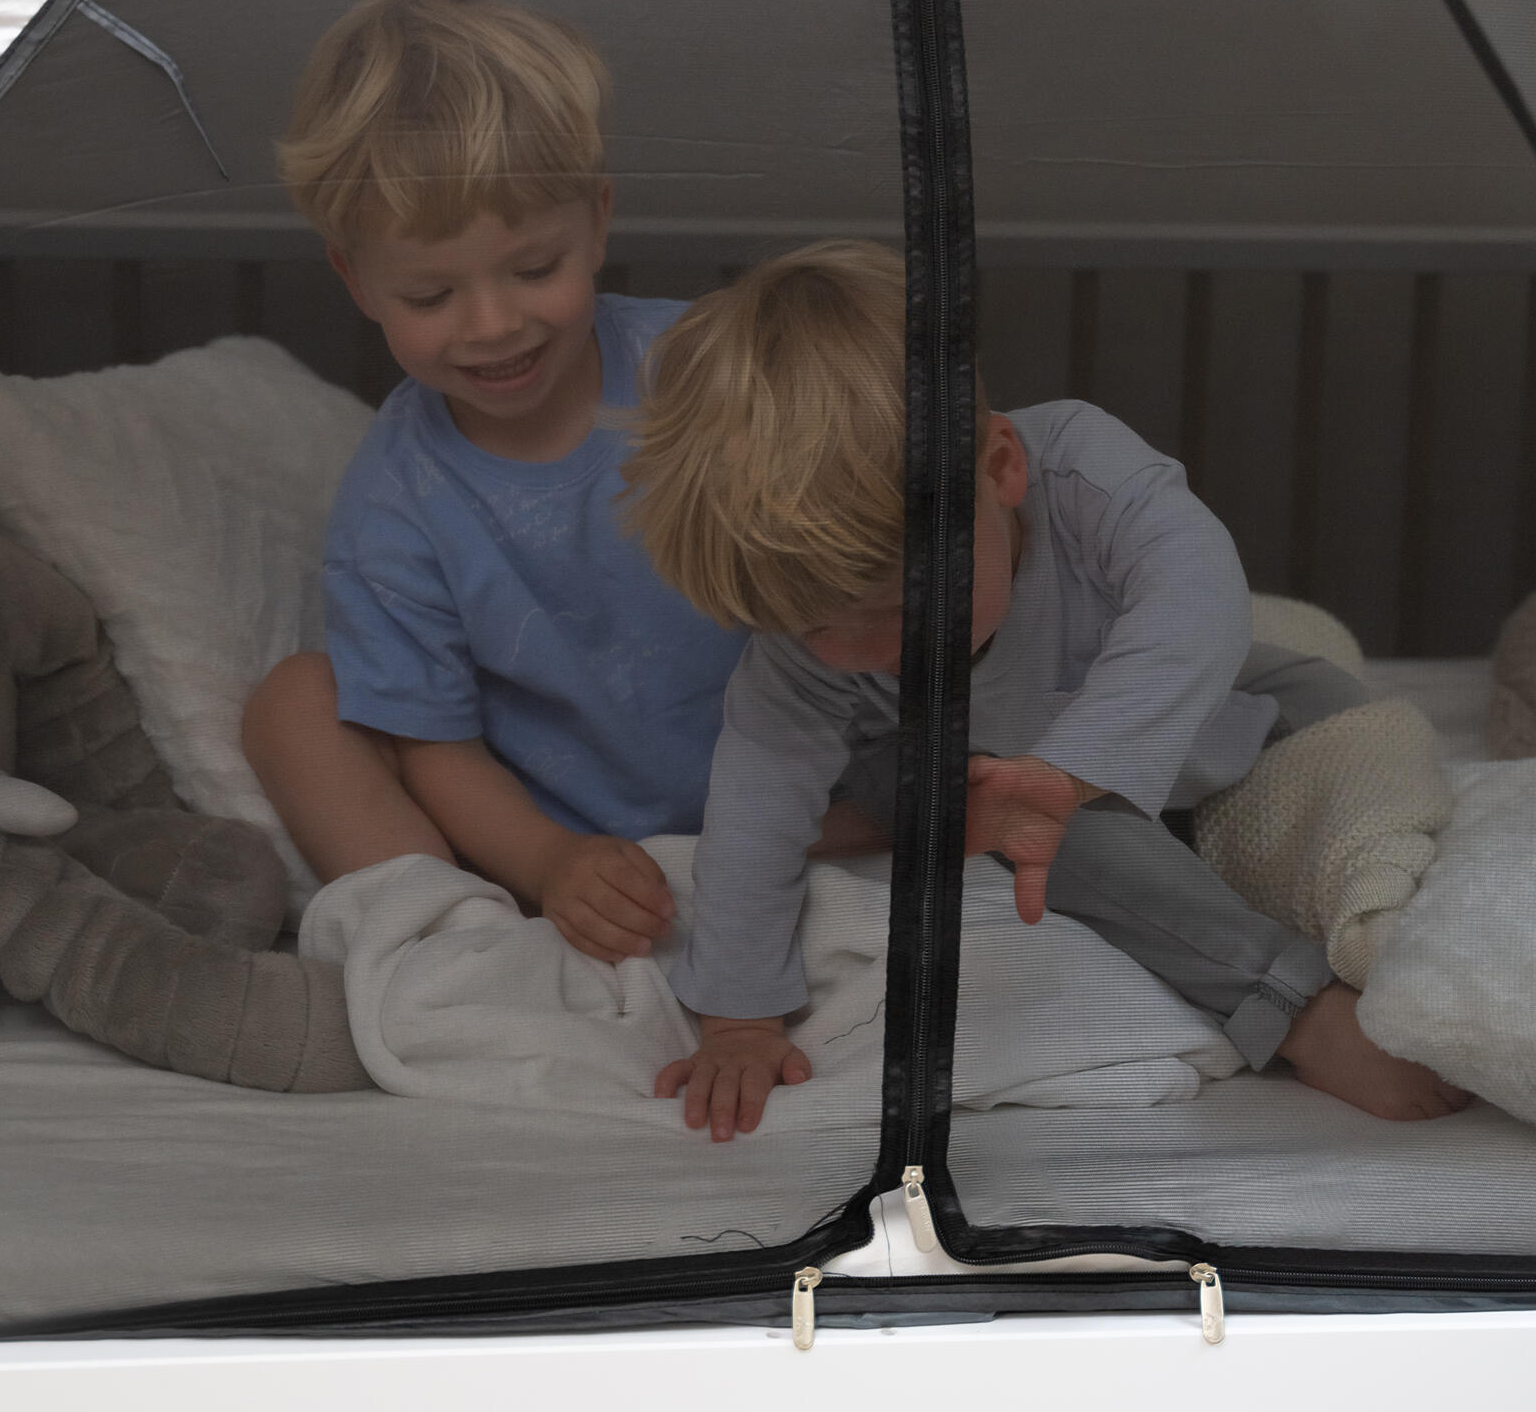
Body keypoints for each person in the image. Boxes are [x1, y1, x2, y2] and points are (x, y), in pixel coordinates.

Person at [619, 240, 1470, 1140]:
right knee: (1065, 835)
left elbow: (1197, 593)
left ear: (1000, 469)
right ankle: (1293, 1008)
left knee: (1326, 696)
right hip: (959, 769)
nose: (873, 652)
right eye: (818, 630)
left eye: (901, 608)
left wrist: (1076, 764)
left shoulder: (1081, 473)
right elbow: (753, 810)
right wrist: (740, 1018)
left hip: (1090, 715)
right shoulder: (805, 661)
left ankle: (1379, 866)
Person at [242, 0, 747, 963]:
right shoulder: (396, 505)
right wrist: (553, 863)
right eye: (430, 294)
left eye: (533, 269)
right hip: (554, 849)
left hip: (798, 797)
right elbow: (437, 746)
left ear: (597, 221)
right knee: (293, 704)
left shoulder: (713, 371)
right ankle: (458, 950)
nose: (492, 324)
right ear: (356, 280)